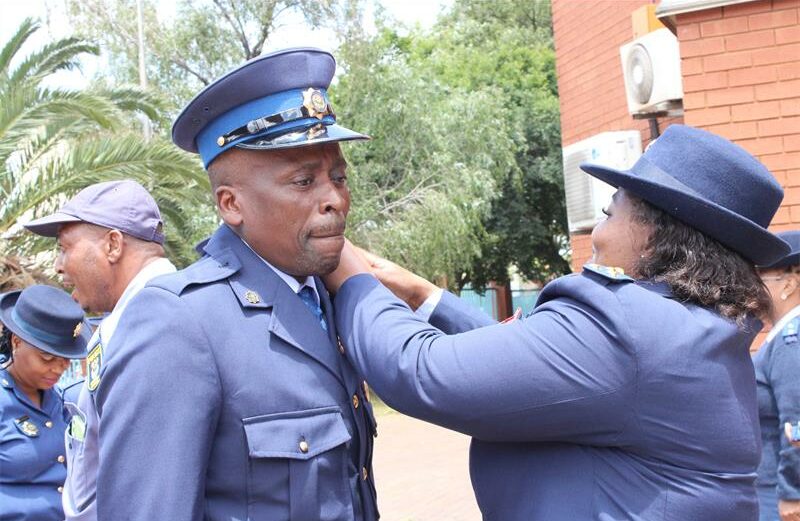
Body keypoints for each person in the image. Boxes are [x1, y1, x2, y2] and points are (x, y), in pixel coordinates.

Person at [323, 124, 790, 521]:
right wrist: (424, 296)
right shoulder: (693, 329)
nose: (596, 237)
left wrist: (351, 276)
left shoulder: (628, 327)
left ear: (650, 234)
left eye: (609, 214)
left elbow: (420, 371)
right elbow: (539, 366)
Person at [92, 48, 379, 521]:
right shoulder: (179, 323)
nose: (335, 199)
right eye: (304, 181)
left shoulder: (330, 295)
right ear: (231, 205)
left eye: (339, 176)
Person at [23, 179, 176, 521]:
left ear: (112, 245)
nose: (58, 266)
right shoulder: (129, 321)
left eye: (65, 247)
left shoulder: (158, 322)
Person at [0, 285, 90, 521]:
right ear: (17, 342)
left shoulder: (59, 400)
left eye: (65, 360)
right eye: (48, 358)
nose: (59, 368)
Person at [755, 230, 800, 521]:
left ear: (789, 284)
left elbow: (797, 425)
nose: (753, 290)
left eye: (760, 281)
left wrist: (792, 492)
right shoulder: (781, 337)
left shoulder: (790, 341)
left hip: (779, 498)